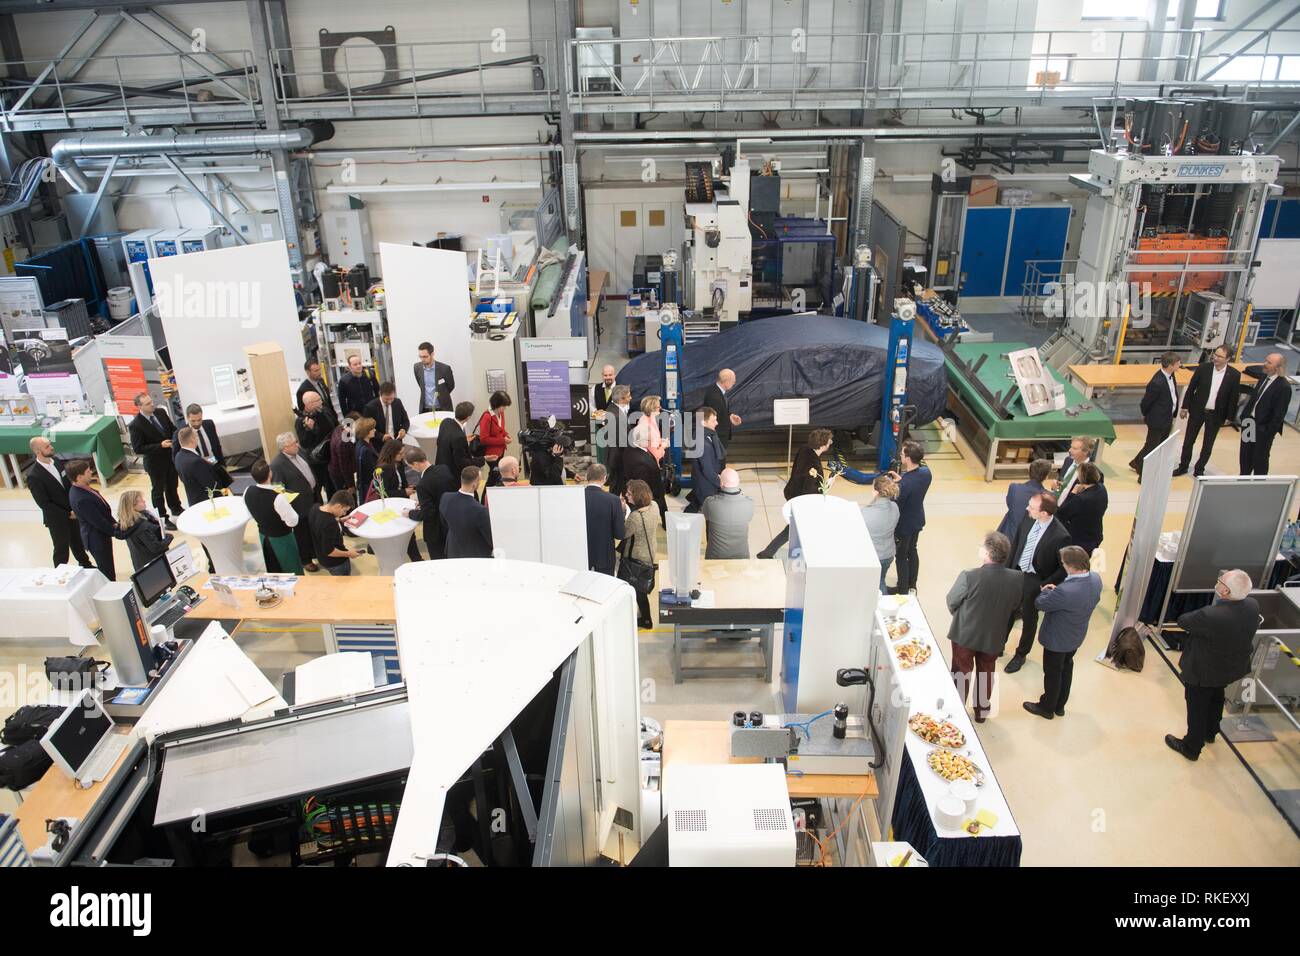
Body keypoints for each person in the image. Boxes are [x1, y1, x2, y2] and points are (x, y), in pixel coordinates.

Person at [1165, 569, 1260, 761]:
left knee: (1197, 706)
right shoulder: (1252, 605)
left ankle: (1191, 746)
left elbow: (1184, 621)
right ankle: (1211, 731)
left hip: (1203, 670)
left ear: (1225, 592)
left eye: (1220, 581)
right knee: (1217, 697)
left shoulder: (1211, 615)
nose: (1217, 581)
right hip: (1230, 667)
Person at [946, 531, 1024, 723]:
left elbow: (952, 601)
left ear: (988, 554)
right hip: (994, 635)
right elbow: (1015, 605)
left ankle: (956, 710)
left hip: (965, 634)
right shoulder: (1017, 578)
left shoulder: (969, 576)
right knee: (987, 671)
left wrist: (962, 615)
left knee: (961, 671)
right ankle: (981, 710)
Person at [1023, 546, 1102, 720]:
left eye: (1064, 563)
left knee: (1052, 672)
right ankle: (1060, 705)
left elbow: (1041, 604)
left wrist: (1047, 591)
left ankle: (1047, 707)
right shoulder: (1096, 579)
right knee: (1067, 667)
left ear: (1071, 566)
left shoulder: (1064, 591)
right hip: (1076, 634)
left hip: (1057, 639)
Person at [1003, 491, 1072, 674]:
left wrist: (1044, 584)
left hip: (1036, 579)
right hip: (1017, 572)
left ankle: (1020, 654)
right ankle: (999, 644)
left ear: (1044, 513)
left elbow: (1063, 568)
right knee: (1007, 610)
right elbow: (1016, 543)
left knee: (1029, 619)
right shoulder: (1028, 519)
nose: (1027, 509)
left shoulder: (1060, 535)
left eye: (1032, 507)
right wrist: (1008, 570)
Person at [757, 428, 833, 559]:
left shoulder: (804, 449)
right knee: (795, 527)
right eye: (829, 440)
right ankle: (769, 552)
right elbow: (809, 490)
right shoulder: (813, 464)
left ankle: (769, 551)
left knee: (795, 527)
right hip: (802, 501)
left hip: (793, 492)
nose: (831, 442)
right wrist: (826, 486)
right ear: (822, 444)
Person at [26, 437, 93, 569]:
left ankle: (85, 564)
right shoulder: (34, 475)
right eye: (47, 446)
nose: (51, 447)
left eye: (50, 444)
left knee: (77, 541)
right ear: (38, 452)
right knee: (61, 547)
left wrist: (74, 508)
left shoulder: (56, 461)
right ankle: (59, 571)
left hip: (72, 511)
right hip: (57, 518)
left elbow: (67, 484)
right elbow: (44, 504)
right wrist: (68, 514)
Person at [1174, 344, 1240, 477]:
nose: (1215, 358)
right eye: (1215, 354)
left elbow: (1233, 397)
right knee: (1188, 441)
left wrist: (1230, 416)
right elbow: (1191, 387)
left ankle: (1199, 469)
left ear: (1227, 359)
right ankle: (1183, 466)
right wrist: (1185, 407)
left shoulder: (1234, 375)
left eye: (1220, 356)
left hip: (1216, 415)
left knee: (1208, 445)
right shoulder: (1203, 368)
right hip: (1197, 410)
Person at [270, 431, 323, 573]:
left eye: (296, 442)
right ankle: (305, 560)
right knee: (302, 534)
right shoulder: (277, 465)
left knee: (315, 528)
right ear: (284, 448)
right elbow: (278, 490)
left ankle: (315, 552)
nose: (297, 445)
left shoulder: (300, 452)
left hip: (314, 497)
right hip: (299, 506)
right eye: (293, 444)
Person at [127, 392, 181, 529]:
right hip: (155, 463)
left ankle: (176, 507)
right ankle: (162, 518)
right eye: (148, 404)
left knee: (172, 485)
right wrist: (160, 445)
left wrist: (176, 438)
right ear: (139, 406)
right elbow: (138, 448)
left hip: (170, 458)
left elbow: (172, 429)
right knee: (158, 491)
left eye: (151, 401)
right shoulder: (136, 425)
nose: (152, 405)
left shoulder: (161, 413)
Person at [244, 459, 303, 574]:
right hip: (282, 538)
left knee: (273, 567)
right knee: (291, 568)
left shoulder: (247, 491)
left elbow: (249, 513)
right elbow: (293, 521)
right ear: (270, 474)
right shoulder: (278, 498)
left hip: (263, 535)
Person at [67, 460, 124, 580]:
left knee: (108, 566)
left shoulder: (83, 488)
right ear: (79, 477)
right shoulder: (81, 498)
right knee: (107, 571)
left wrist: (114, 524)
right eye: (88, 471)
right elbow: (98, 521)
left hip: (100, 535)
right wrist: (117, 532)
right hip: (96, 540)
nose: (91, 472)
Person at [1130, 351, 1181, 478]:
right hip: (1157, 419)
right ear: (1171, 365)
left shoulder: (1171, 375)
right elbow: (1146, 401)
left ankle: (1136, 462)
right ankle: (1143, 474)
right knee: (1152, 447)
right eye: (1178, 363)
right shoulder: (1157, 382)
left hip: (1167, 417)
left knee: (1157, 444)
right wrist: (1145, 414)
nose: (1180, 365)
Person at [891, 441, 932, 594]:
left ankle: (902, 588)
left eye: (902, 454)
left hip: (904, 525)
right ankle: (912, 585)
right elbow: (912, 483)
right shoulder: (926, 473)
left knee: (901, 556)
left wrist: (893, 486)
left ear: (907, 458)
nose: (900, 456)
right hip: (917, 519)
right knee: (912, 551)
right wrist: (902, 480)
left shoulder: (905, 485)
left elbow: (895, 503)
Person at [1239, 352, 1289, 476]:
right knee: (1245, 455)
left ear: (1278, 368)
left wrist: (1267, 432)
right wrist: (1244, 417)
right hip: (1249, 423)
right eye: (1265, 360)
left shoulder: (1283, 387)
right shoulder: (1263, 377)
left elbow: (1278, 415)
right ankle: (1243, 478)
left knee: (1259, 459)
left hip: (1263, 429)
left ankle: (1258, 484)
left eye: (1269, 362)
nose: (1264, 364)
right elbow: (1254, 400)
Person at [405, 447, 458, 560]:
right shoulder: (444, 469)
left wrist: (410, 513)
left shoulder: (423, 485)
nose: (412, 469)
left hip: (436, 531)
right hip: (452, 523)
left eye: (411, 467)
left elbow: (427, 513)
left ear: (415, 464)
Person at [620, 478, 658, 629]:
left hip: (635, 557)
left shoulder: (636, 517)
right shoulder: (653, 506)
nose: (627, 495)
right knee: (641, 589)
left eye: (629, 493)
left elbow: (623, 533)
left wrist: (623, 511)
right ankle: (646, 618)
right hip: (649, 554)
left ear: (637, 496)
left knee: (635, 589)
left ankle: (646, 620)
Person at [440, 465, 494, 558]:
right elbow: (490, 538)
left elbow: (444, 522)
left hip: (453, 550)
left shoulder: (446, 497)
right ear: (474, 485)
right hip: (474, 555)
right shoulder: (480, 510)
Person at [582, 463, 626, 575]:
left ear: (587, 477)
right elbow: (619, 534)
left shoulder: (576, 497)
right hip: (604, 558)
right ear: (605, 478)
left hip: (581, 555)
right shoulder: (613, 500)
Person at [1056, 462, 1108, 556]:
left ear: (1081, 478)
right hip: (1094, 535)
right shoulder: (1102, 489)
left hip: (1078, 540)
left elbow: (1061, 513)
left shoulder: (1080, 499)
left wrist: (1073, 493)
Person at [703, 467, 755, 559]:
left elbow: (707, 517)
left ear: (721, 483)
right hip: (742, 555)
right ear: (738, 481)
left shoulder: (710, 503)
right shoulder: (749, 503)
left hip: (716, 556)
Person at [116, 489, 173, 573]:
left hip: (141, 562)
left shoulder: (126, 522)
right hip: (155, 565)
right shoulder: (141, 527)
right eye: (141, 500)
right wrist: (169, 538)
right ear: (133, 506)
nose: (144, 501)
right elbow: (155, 547)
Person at [860, 474, 900, 592]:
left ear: (876, 492)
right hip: (888, 554)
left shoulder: (866, 514)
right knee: (880, 581)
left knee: (868, 585)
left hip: (872, 556)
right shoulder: (895, 507)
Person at [310, 491, 363, 576]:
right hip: (336, 563)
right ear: (338, 506)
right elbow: (330, 551)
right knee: (344, 583)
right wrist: (349, 554)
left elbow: (320, 526)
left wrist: (340, 519)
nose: (344, 514)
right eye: (344, 510)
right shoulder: (330, 524)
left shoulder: (315, 508)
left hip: (321, 557)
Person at [295, 390, 338, 495]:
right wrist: (311, 429)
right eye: (317, 400)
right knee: (320, 488)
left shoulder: (324, 410)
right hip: (318, 460)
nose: (321, 402)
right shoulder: (301, 421)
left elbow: (334, 425)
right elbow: (305, 443)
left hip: (331, 453)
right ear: (308, 405)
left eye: (320, 398)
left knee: (334, 485)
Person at [996, 459, 1051, 539]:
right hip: (1028, 540)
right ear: (1046, 476)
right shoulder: (1048, 497)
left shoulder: (1014, 488)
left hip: (1006, 535)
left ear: (1029, 471)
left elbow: (1010, 504)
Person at [171, 404, 227, 482]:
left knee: (222, 490)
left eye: (199, 420)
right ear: (187, 418)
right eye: (193, 421)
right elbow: (176, 457)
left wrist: (223, 465)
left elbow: (217, 445)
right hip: (198, 470)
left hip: (215, 463)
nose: (197, 423)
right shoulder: (180, 433)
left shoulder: (209, 424)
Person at [684, 406, 724, 513]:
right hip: (706, 484)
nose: (717, 423)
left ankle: (684, 521)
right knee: (710, 515)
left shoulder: (706, 434)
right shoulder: (702, 443)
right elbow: (707, 469)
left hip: (703, 481)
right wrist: (720, 482)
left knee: (695, 504)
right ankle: (683, 523)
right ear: (703, 423)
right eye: (713, 420)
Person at [174, 425, 224, 506]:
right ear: (192, 440)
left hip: (193, 499)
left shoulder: (178, 456)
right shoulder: (196, 462)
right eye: (196, 436)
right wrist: (222, 497)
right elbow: (210, 485)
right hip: (206, 502)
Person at [437, 401, 483, 477]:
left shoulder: (445, 422)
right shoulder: (459, 437)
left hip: (440, 465)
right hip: (452, 473)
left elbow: (442, 442)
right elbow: (462, 462)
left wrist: (464, 440)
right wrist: (483, 459)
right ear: (468, 417)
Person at [701, 368, 742, 448]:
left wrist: (730, 416)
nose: (734, 382)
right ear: (726, 381)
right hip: (717, 440)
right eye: (733, 380)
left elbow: (719, 411)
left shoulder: (716, 391)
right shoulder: (714, 396)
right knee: (718, 460)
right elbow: (714, 420)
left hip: (718, 439)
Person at [603, 385, 634, 492]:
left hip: (615, 456)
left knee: (616, 487)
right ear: (621, 399)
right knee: (616, 488)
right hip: (618, 459)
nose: (631, 398)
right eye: (628, 396)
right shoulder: (616, 416)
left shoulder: (613, 409)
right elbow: (623, 441)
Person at [363, 381, 410, 449]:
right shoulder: (370, 408)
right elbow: (367, 428)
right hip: (379, 444)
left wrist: (403, 430)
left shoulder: (397, 402)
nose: (389, 402)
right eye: (386, 399)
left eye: (391, 398)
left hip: (396, 441)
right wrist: (381, 436)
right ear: (380, 394)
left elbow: (405, 421)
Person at [414, 342, 455, 413]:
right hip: (425, 409)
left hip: (443, 408)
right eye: (420, 356)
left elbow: (451, 386)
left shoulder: (444, 369)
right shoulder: (417, 367)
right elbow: (421, 385)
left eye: (425, 356)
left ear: (432, 354)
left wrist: (442, 394)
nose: (422, 359)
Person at [477, 391, 512, 466]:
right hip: (491, 453)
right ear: (497, 404)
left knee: (498, 474)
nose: (505, 408)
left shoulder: (500, 413)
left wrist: (506, 435)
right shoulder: (487, 417)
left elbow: (500, 429)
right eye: (503, 406)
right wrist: (503, 440)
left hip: (500, 449)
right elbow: (483, 439)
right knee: (495, 474)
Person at [329, 412, 360, 492]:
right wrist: (351, 485)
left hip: (337, 470)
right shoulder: (343, 442)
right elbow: (345, 467)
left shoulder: (340, 428)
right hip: (341, 476)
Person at [634, 395, 668, 464]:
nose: (660, 408)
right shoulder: (646, 425)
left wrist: (661, 442)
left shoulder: (648, 419)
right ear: (652, 408)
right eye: (659, 406)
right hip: (649, 464)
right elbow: (655, 455)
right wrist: (663, 446)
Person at [353, 418, 380, 493]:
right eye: (372, 429)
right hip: (370, 486)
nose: (375, 430)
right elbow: (372, 471)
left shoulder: (360, 444)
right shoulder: (366, 450)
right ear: (366, 432)